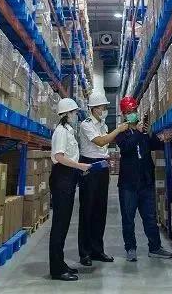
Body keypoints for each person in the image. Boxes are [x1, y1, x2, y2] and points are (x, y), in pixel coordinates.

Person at [113, 96, 172, 262]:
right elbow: (126, 147)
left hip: (146, 182)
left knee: (150, 217)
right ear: (124, 114)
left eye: (134, 110)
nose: (132, 113)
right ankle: (130, 248)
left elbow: (156, 145)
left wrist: (149, 133)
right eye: (129, 112)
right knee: (128, 218)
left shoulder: (143, 131)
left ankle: (155, 247)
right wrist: (139, 133)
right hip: (128, 185)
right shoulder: (120, 132)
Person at [49, 98, 97, 281]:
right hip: (62, 177)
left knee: (64, 223)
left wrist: (78, 169)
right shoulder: (61, 132)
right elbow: (59, 157)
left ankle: (60, 263)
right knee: (59, 225)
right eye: (75, 112)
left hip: (67, 177)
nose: (76, 115)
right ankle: (57, 270)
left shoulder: (68, 130)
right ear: (67, 113)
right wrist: (79, 166)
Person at [77, 93, 128, 266]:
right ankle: (85, 252)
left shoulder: (103, 124)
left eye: (105, 107)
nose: (104, 110)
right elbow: (100, 141)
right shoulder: (86, 124)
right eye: (102, 107)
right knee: (87, 210)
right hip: (89, 167)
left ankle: (97, 250)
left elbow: (106, 144)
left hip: (102, 167)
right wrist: (118, 130)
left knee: (100, 210)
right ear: (93, 108)